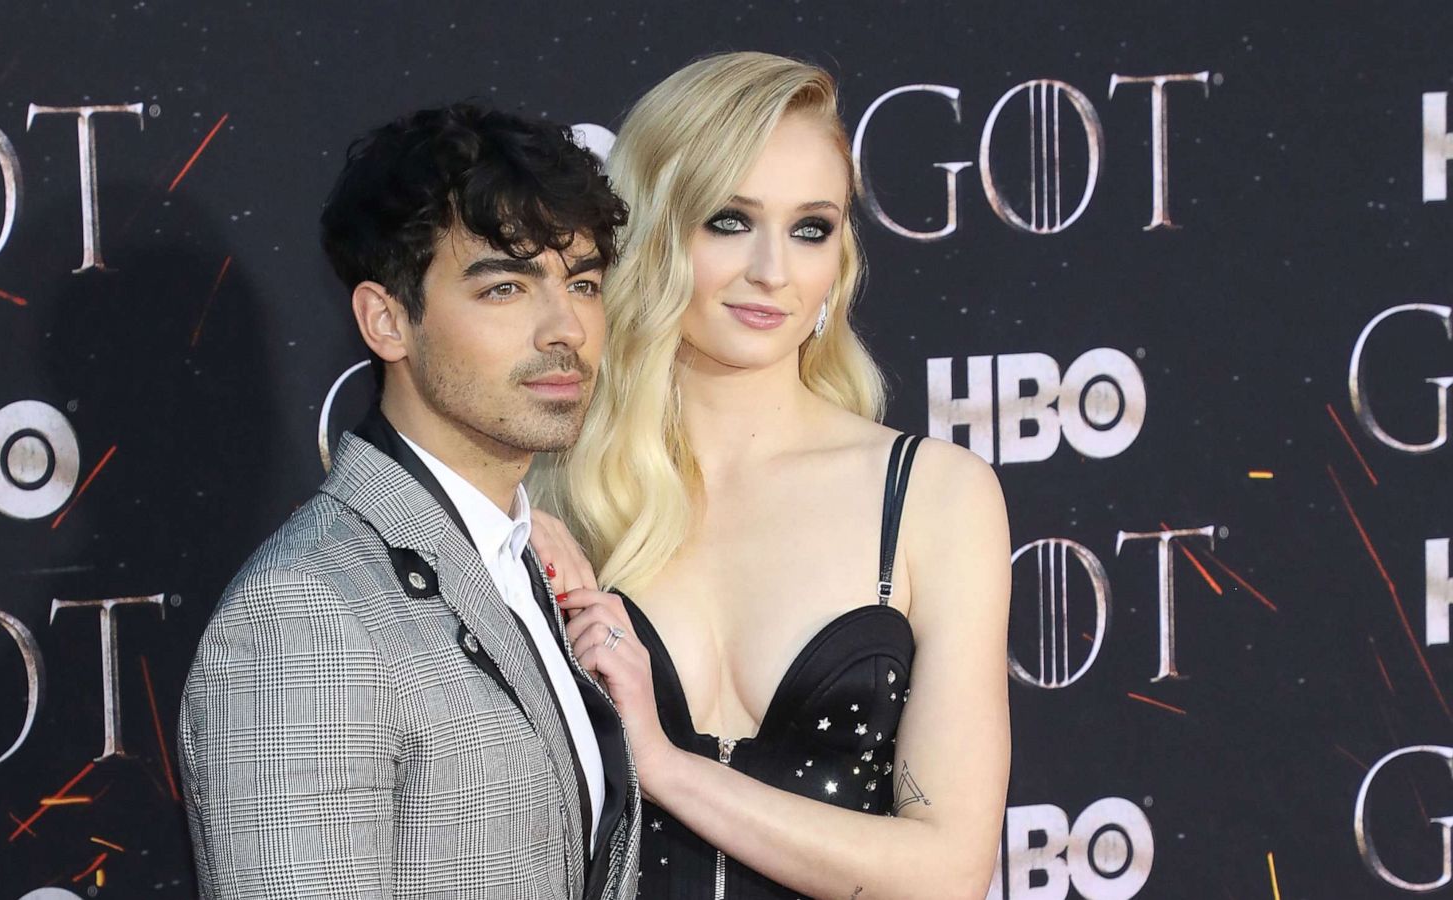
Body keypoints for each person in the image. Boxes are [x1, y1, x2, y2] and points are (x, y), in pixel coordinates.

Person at [530, 53, 1011, 898]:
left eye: (810, 228)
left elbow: (948, 874)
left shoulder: (936, 497)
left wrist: (664, 767)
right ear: (651, 229)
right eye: (728, 220)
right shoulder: (548, 493)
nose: (772, 271)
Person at [177, 103, 640, 899]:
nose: (566, 327)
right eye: (504, 287)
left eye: (584, 282)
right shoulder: (303, 618)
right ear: (386, 321)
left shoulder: (525, 557)